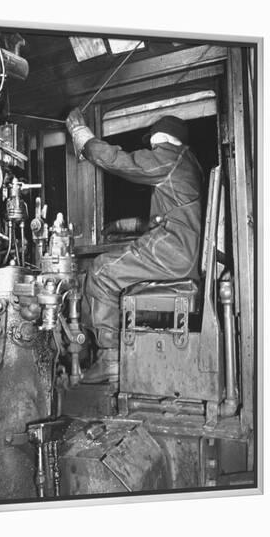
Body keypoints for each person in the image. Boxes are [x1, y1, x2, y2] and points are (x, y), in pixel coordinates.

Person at [66, 109, 204, 383]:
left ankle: (111, 359)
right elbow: (157, 218)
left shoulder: (171, 158)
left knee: (101, 271)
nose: (152, 146)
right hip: (181, 250)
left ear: (165, 139)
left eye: (155, 141)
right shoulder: (187, 165)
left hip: (173, 250)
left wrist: (82, 136)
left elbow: (121, 161)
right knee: (111, 268)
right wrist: (120, 226)